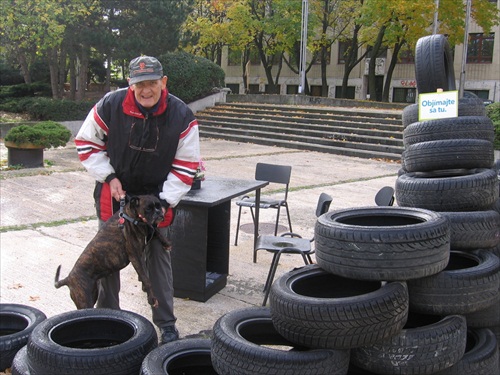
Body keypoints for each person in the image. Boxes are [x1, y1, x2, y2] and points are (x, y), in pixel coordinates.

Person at [75, 55, 200, 345]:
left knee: (158, 260)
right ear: (130, 85)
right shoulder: (109, 105)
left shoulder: (182, 115)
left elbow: (186, 166)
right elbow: (86, 142)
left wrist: (165, 201)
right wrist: (108, 176)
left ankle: (166, 324)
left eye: (152, 83)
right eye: (140, 84)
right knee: (106, 258)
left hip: (156, 198)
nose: (146, 90)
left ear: (163, 82)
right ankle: (109, 318)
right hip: (116, 193)